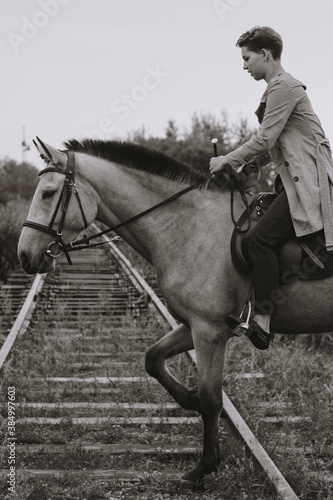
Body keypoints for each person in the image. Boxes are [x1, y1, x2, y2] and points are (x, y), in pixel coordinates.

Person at [209, 26, 333, 342]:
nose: (244, 65)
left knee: (259, 240)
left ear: (265, 54)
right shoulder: (277, 89)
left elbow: (266, 137)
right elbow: (279, 145)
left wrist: (228, 160)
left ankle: (262, 319)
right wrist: (251, 165)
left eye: (247, 58)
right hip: (294, 181)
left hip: (307, 184)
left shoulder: (284, 86)